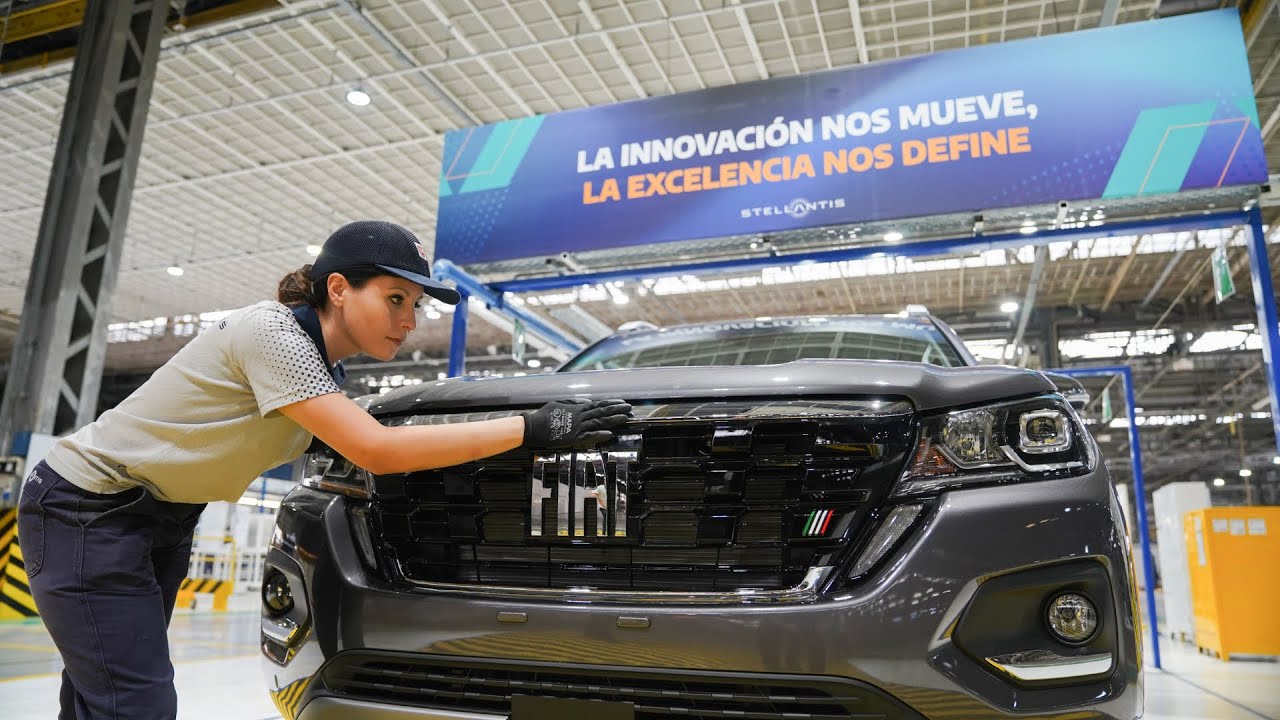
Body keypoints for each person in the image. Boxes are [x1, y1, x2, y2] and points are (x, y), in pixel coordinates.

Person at [15, 220, 631, 719]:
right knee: (136, 703)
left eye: (415, 304)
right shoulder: (273, 333)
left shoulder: (323, 378)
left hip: (162, 519)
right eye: (396, 299)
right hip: (87, 508)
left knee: (102, 692)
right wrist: (534, 429)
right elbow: (378, 450)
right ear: (338, 288)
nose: (409, 320)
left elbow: (374, 449)